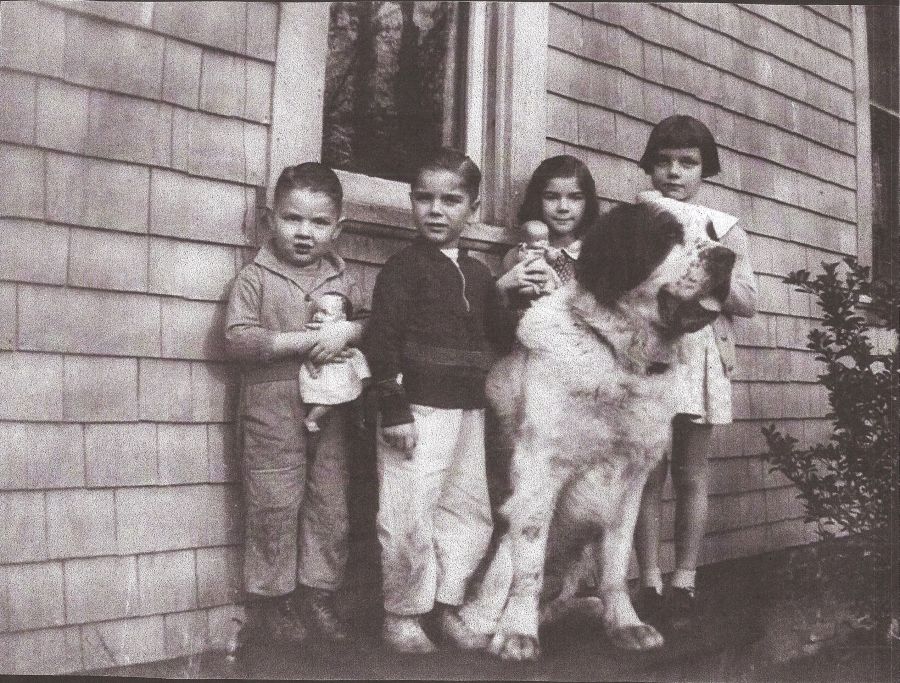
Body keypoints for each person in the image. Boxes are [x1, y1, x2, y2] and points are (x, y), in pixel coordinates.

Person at [363, 147, 515, 654]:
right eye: (423, 198)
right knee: (408, 511)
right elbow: (381, 341)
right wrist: (394, 407)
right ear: (411, 202)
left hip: (469, 412)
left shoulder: (478, 274)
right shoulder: (404, 269)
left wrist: (520, 296)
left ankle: (447, 604)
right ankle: (402, 614)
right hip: (418, 412)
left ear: (471, 207)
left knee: (468, 511)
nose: (435, 209)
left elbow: (499, 334)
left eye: (451, 200)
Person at [224, 162, 367, 645]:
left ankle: (318, 593)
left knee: (330, 502)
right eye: (292, 218)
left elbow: (369, 327)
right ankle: (274, 600)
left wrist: (349, 330)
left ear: (337, 227)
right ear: (271, 219)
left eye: (319, 222)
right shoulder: (256, 278)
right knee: (274, 502)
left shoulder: (343, 281)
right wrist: (301, 343)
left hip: (331, 411)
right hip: (273, 409)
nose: (304, 232)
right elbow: (239, 340)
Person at [631, 115, 758, 629]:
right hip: (654, 350)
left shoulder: (723, 225)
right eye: (663, 161)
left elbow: (748, 301)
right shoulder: (639, 216)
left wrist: (712, 269)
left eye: (687, 162)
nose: (673, 172)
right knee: (646, 472)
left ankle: (685, 577)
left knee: (690, 473)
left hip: (703, 355)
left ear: (705, 168)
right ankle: (649, 579)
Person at [496, 155, 600, 311]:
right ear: (537, 200)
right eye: (551, 197)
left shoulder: (592, 257)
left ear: (588, 203)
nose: (563, 207)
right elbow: (503, 312)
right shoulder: (519, 255)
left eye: (575, 198)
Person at [299, 292, 371, 434]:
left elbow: (360, 335)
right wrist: (311, 366)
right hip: (327, 370)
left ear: (342, 317)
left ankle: (359, 418)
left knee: (361, 389)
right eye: (317, 311)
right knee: (329, 400)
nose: (318, 316)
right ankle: (311, 419)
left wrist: (348, 332)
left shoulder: (346, 327)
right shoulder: (313, 329)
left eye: (325, 313)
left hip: (346, 364)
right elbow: (305, 350)